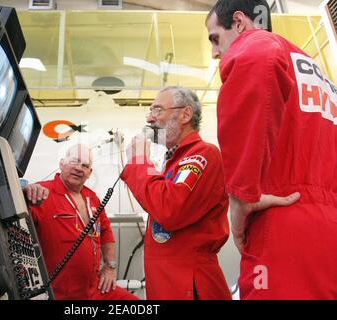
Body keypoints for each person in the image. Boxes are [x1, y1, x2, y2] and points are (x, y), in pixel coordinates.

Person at [206, 0, 337, 299]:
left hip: (284, 223)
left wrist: (240, 197)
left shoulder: (260, 44)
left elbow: (258, 57)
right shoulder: (317, 74)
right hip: (327, 225)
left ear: (239, 23)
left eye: (215, 38)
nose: (215, 52)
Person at [122, 86, 231, 300]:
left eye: (158, 110)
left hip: (189, 286)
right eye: (151, 111)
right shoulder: (175, 162)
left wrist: (139, 162)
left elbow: (169, 208)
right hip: (169, 283)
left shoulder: (203, 153)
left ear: (185, 114)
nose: (150, 119)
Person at [23, 144, 138, 300]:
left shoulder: (93, 198)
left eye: (85, 165)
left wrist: (110, 268)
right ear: (61, 164)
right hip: (60, 293)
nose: (79, 168)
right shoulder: (41, 193)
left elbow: (106, 233)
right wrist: (25, 193)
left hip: (95, 288)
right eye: (74, 162)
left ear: (89, 173)